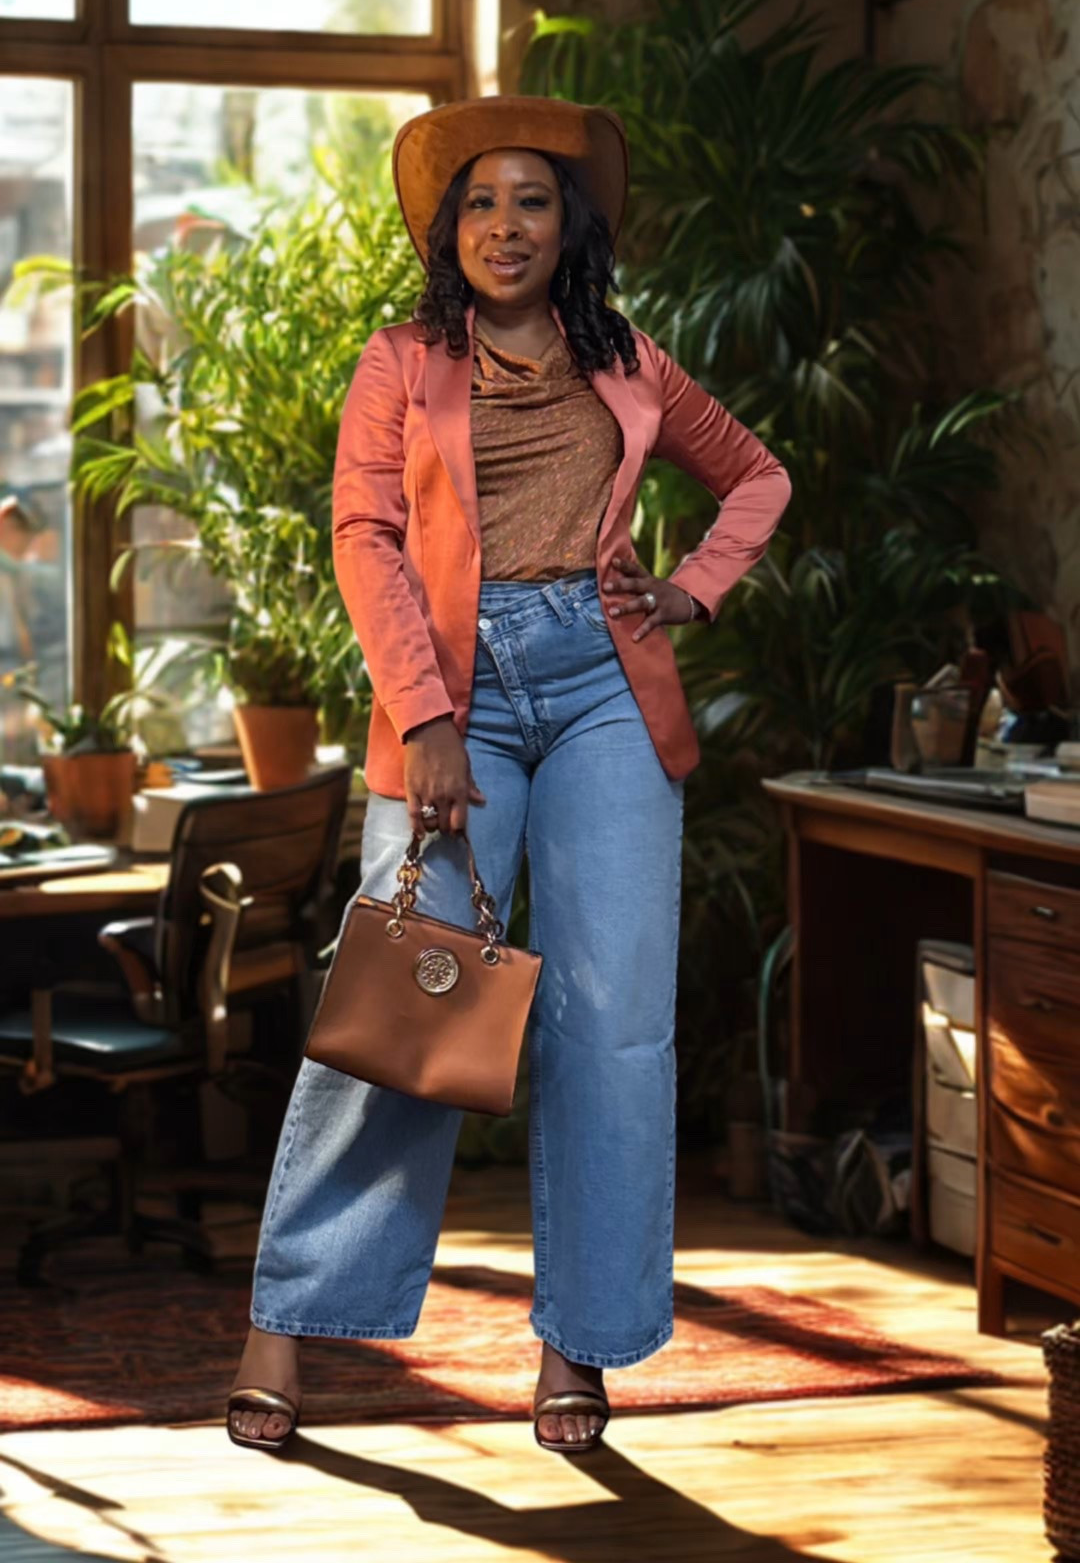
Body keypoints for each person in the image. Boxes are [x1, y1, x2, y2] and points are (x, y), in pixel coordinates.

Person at [226, 95, 792, 1458]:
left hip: (605, 688)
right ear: (449, 230)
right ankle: (280, 1330)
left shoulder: (632, 361)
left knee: (610, 1030)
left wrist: (690, 591)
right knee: (403, 1019)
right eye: (480, 203)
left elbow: (757, 480)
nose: (504, 226)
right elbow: (365, 535)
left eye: (531, 201)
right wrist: (422, 712)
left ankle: (575, 1348)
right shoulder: (401, 362)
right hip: (453, 698)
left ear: (569, 225)